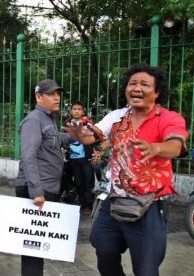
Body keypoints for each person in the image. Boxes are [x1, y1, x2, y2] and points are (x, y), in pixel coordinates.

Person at [64, 63, 188, 276]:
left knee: (146, 270)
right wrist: (79, 135)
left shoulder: (168, 118)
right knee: (103, 250)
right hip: (114, 203)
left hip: (149, 207)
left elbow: (176, 145)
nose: (136, 88)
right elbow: (93, 135)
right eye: (132, 84)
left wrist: (156, 147)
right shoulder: (117, 116)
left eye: (144, 84)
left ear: (157, 92)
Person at [14, 79, 72, 276]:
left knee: (39, 243)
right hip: (37, 190)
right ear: (39, 97)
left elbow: (55, 140)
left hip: (47, 188)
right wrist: (37, 192)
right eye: (51, 94)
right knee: (32, 247)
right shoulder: (34, 120)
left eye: (58, 93)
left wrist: (75, 135)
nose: (57, 97)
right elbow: (28, 156)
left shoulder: (48, 119)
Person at [65, 101, 95, 215]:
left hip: (86, 158)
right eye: (74, 109)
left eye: (79, 109)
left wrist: (95, 153)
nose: (76, 111)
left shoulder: (88, 124)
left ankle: (88, 204)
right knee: (78, 182)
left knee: (88, 181)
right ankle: (82, 203)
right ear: (71, 111)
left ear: (83, 111)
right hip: (73, 158)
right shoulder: (68, 124)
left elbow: (96, 139)